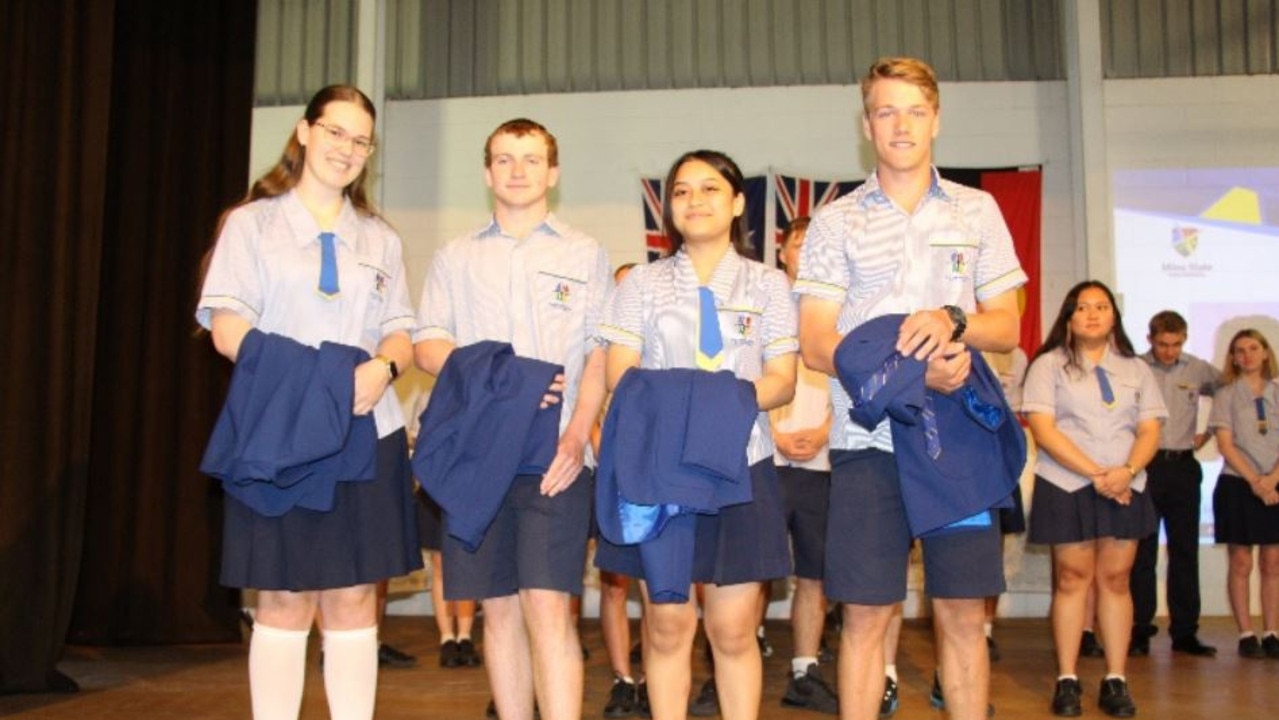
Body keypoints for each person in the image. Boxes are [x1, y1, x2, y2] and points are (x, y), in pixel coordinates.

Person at [795, 57, 1026, 720]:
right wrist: (907, 374)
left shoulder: (976, 210)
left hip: (959, 442)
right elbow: (815, 341)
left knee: (960, 613)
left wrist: (952, 319)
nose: (900, 124)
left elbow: (1006, 326)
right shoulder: (835, 221)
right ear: (866, 124)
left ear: (936, 120)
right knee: (867, 614)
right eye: (885, 111)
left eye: (914, 110)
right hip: (866, 441)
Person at [197, 85, 422, 720]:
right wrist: (311, 380)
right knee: (283, 598)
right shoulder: (251, 224)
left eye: (360, 141)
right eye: (335, 133)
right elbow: (226, 327)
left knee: (353, 598)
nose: (345, 149)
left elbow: (400, 327)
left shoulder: (379, 238)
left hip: (364, 428)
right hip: (280, 428)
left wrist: (383, 367)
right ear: (303, 132)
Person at [413, 118, 610, 720]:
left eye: (530, 159)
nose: (518, 170)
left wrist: (578, 435)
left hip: (556, 455)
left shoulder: (585, 252)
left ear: (552, 173)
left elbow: (598, 352)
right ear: (487, 172)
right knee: (498, 608)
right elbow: (426, 345)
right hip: (479, 452)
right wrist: (499, 376)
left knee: (549, 606)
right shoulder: (455, 257)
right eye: (504, 159)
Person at [596, 149, 797, 720]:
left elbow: (782, 382)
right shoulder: (640, 284)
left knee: (732, 630)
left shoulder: (770, 285)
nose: (694, 201)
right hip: (663, 470)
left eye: (710, 189)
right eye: (681, 191)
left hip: (743, 463)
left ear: (736, 203)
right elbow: (620, 374)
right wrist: (696, 404)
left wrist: (714, 405)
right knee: (667, 623)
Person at [1023, 280, 1166, 718]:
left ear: (1113, 318)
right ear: (1068, 316)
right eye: (1082, 307)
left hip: (1125, 484)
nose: (1092, 314)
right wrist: (1098, 474)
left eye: (1101, 307)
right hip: (1068, 484)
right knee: (1070, 579)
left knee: (1117, 582)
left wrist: (1126, 472)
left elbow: (1150, 429)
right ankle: (1067, 678)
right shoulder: (1048, 366)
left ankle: (1115, 678)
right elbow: (1043, 429)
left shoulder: (1137, 369)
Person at [771, 217, 839, 716]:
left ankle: (804, 669)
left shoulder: (839, 311)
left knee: (814, 574)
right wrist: (772, 433)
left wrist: (824, 433)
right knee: (752, 573)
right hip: (765, 459)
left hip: (822, 461)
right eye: (799, 243)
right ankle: (736, 655)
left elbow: (855, 384)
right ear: (784, 253)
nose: (807, 251)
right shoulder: (765, 302)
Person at [1129, 310, 1222, 657]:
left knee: (1184, 551)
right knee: (1143, 552)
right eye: (1164, 344)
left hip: (1183, 467)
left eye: (1177, 344)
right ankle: (1138, 629)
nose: (1170, 352)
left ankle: (1185, 632)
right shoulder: (1135, 367)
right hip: (1146, 466)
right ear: (1151, 339)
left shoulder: (1197, 368)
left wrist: (1211, 430)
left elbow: (1230, 391)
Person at [592, 262, 650, 718]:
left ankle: (651, 677)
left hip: (650, 476)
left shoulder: (659, 344)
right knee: (614, 585)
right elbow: (590, 413)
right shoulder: (598, 348)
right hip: (608, 475)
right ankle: (622, 678)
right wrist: (608, 454)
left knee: (655, 588)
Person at [1208, 328, 1279, 660]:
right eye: (1240, 350)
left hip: (1275, 484)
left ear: (1265, 353)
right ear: (1233, 357)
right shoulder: (1226, 394)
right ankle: (1247, 632)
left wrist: (1272, 479)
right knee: (1240, 562)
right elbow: (1225, 444)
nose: (1247, 355)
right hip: (1238, 484)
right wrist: (1256, 481)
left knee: (1273, 563)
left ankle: (1272, 631)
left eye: (1254, 348)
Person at [407, 391, 481, 670]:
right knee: (439, 563)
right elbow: (414, 438)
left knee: (466, 561)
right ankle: (446, 637)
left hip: (468, 488)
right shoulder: (427, 396)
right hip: (433, 489)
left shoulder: (478, 395)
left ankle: (465, 634)